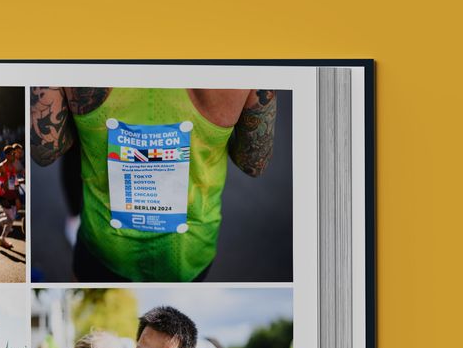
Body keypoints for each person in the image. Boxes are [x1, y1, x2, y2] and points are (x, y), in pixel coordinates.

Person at [30, 87, 279, 282]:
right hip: (189, 252)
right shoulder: (238, 56)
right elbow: (253, 161)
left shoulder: (79, 48)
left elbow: (45, 150)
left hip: (104, 245)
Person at [0, 142, 25, 251]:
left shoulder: (13, 165)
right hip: (4, 195)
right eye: (12, 154)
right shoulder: (2, 166)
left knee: (11, 220)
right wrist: (1, 184)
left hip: (12, 194)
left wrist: (20, 181)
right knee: (11, 218)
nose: (14, 156)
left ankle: (2, 239)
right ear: (6, 155)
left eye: (14, 154)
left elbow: (12, 180)